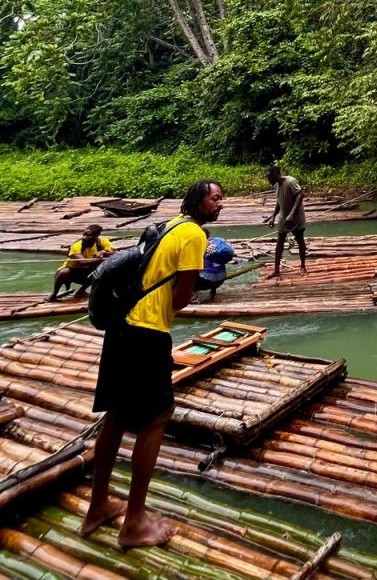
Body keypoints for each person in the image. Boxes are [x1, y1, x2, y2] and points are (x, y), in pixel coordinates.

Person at [81, 180, 224, 548]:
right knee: (157, 417)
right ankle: (134, 523)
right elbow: (180, 300)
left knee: (115, 414)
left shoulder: (169, 225)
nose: (220, 204)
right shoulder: (193, 234)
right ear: (199, 202)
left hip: (121, 326)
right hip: (147, 333)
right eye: (215, 198)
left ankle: (97, 507)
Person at [48, 225, 115, 301]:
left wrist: (103, 252)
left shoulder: (102, 242)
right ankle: (54, 294)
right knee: (64, 272)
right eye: (84, 234)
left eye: (88, 235)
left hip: (88, 272)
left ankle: (81, 291)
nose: (84, 237)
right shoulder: (76, 246)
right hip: (72, 272)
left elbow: (114, 253)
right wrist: (100, 259)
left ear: (96, 236)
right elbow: (82, 262)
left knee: (102, 270)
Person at [264, 165, 307, 279]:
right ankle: (276, 270)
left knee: (300, 240)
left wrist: (292, 215)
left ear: (275, 175)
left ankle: (303, 266)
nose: (268, 179)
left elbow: (300, 195)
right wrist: (273, 216)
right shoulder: (276, 186)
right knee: (280, 242)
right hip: (284, 217)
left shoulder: (291, 181)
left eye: (269, 177)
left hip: (296, 217)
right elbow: (279, 202)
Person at [193, 233, 234, 302]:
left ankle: (192, 295)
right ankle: (212, 292)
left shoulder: (198, 247)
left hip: (205, 281)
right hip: (220, 280)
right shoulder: (215, 244)